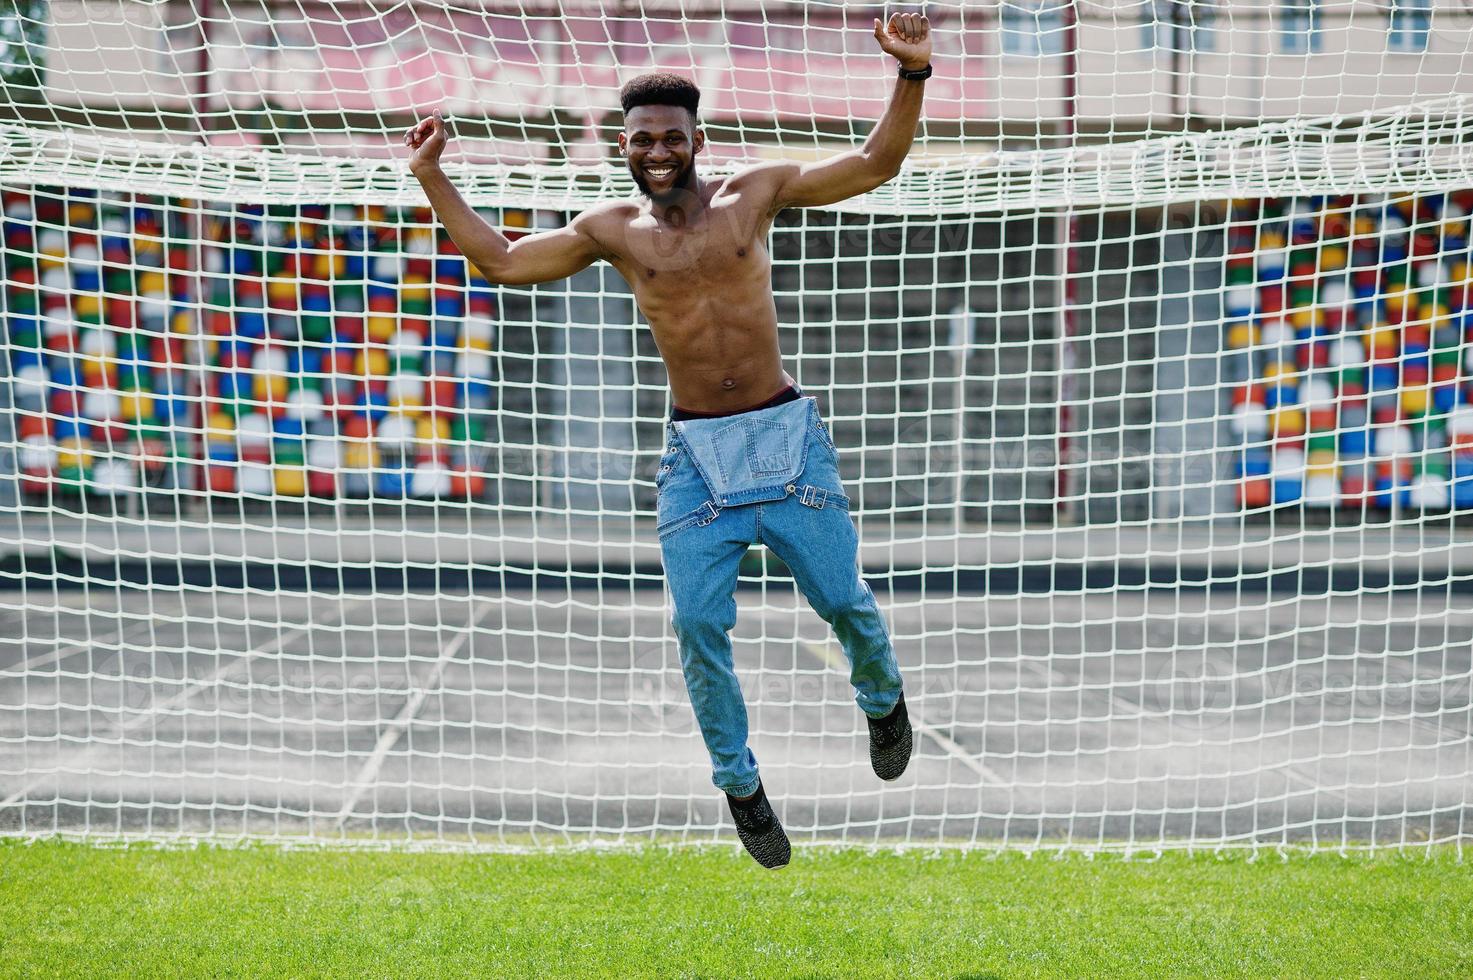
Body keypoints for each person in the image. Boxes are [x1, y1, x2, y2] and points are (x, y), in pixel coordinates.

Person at [405, 12, 932, 869]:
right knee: (696, 624)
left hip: (786, 442)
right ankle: (741, 786)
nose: (657, 149)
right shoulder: (611, 232)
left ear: (697, 139)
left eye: (671, 136)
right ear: (624, 146)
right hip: (695, 459)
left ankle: (883, 700)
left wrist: (910, 75)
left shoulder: (754, 194)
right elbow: (501, 260)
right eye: (641, 138)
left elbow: (875, 164)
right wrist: (433, 177)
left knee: (844, 605)